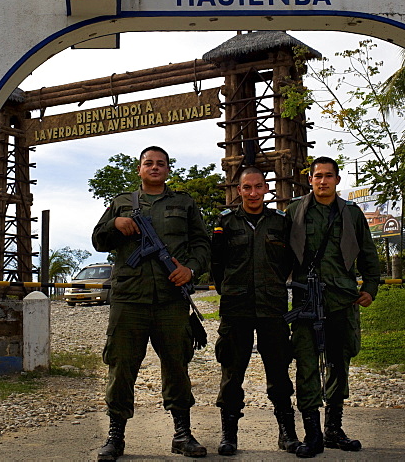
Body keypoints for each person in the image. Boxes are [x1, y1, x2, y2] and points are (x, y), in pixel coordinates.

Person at [92, 146, 211, 460]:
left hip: (171, 300)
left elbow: (202, 243)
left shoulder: (183, 202)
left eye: (161, 163)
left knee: (176, 366)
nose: (155, 167)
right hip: (129, 299)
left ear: (168, 169)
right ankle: (115, 436)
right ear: (139, 169)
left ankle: (182, 434)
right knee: (121, 367)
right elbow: (98, 240)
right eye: (149, 163)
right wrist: (114, 224)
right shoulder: (121, 203)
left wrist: (190, 269)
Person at [286, 156, 380, 458]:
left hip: (341, 299)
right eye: (317, 176)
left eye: (328, 176)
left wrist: (370, 288)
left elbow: (368, 254)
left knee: (339, 364)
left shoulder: (351, 214)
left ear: (337, 180)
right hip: (305, 301)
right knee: (307, 366)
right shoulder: (294, 212)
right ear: (310, 180)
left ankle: (333, 428)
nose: (323, 181)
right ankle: (312, 432)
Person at [211, 167, 301, 456]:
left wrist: (272, 284)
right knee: (232, 372)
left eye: (258, 187)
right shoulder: (226, 223)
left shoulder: (280, 223)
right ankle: (229, 435)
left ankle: (287, 433)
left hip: (272, 307)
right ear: (239, 190)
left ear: (266, 189)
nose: (252, 193)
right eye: (246, 187)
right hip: (236, 309)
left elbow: (289, 260)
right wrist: (231, 289)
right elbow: (216, 265)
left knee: (279, 372)